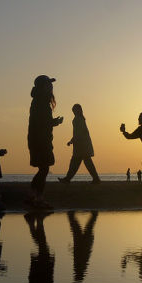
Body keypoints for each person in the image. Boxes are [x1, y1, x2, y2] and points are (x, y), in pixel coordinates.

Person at [27, 75, 63, 208]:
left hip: (39, 139)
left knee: (44, 169)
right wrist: (54, 122)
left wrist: (54, 122)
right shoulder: (40, 101)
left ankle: (34, 196)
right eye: (49, 84)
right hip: (40, 140)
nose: (51, 87)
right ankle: (37, 198)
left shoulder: (39, 100)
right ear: (43, 87)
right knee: (44, 168)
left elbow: (41, 122)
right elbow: (41, 122)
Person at [58, 104, 101, 184]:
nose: (74, 112)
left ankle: (68, 179)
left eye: (75, 110)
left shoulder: (77, 119)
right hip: (82, 144)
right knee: (81, 162)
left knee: (77, 162)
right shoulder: (80, 119)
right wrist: (72, 140)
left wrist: (72, 141)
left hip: (81, 145)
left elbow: (78, 133)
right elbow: (78, 133)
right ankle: (95, 179)